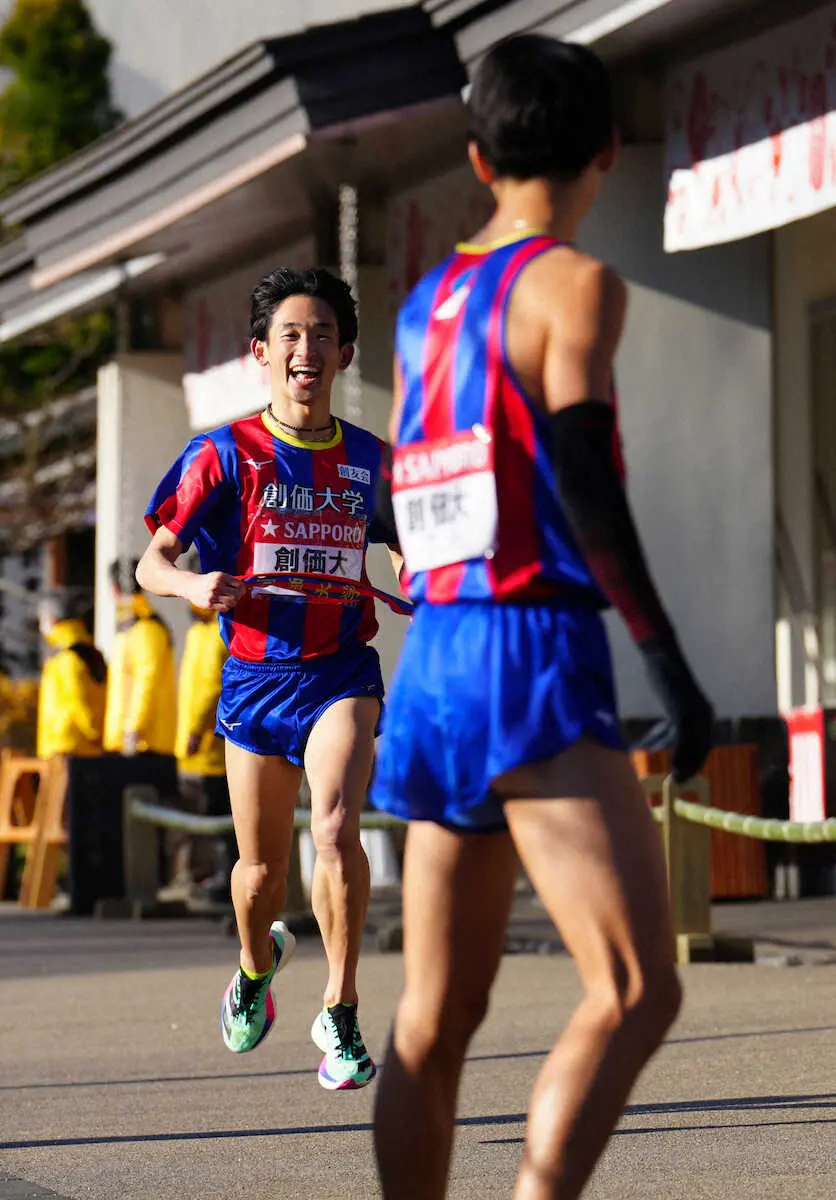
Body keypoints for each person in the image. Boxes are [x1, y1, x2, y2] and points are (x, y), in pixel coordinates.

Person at [370, 35, 714, 1199]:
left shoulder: (425, 304)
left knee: (432, 1016)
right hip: (530, 650)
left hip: (433, 657)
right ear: (606, 152)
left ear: (476, 156)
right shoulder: (575, 285)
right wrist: (667, 660)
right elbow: (580, 470)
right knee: (632, 987)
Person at [137, 266, 393, 1091]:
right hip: (253, 683)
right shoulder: (222, 453)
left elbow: (404, 542)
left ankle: (342, 1012)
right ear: (261, 352)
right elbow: (153, 562)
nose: (305, 349)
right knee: (259, 878)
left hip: (340, 672)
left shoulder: (368, 460)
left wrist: (418, 571)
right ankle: (256, 965)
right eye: (289, 335)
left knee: (336, 828)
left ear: (344, 353)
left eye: (322, 335)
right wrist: (191, 585)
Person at [168, 601, 232, 903]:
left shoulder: (217, 630)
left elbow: (210, 688)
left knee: (222, 817)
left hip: (211, 744)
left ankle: (225, 876)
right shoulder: (200, 631)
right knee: (208, 814)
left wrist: (195, 729)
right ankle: (213, 876)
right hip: (199, 744)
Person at [103, 559, 176, 758]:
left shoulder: (144, 629)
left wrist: (134, 728)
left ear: (115, 588)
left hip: (143, 742)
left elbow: (147, 682)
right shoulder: (133, 627)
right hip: (133, 740)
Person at [36, 591, 106, 759]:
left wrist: (94, 732)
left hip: (65, 745)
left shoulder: (65, 659)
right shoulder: (90, 653)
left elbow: (79, 701)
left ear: (53, 620)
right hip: (87, 747)